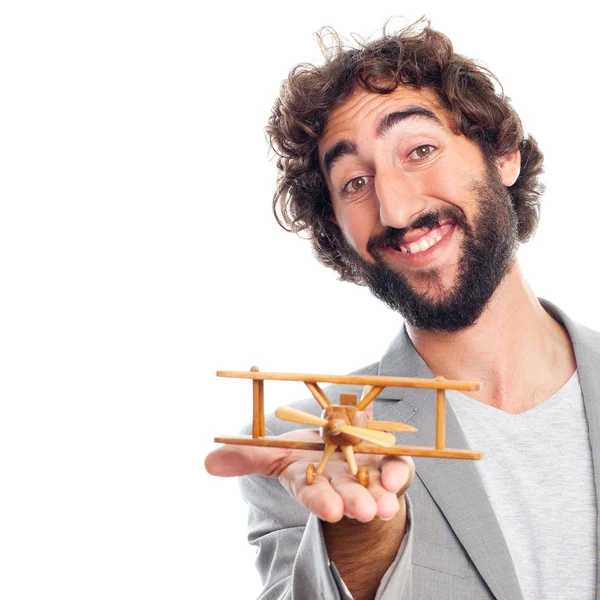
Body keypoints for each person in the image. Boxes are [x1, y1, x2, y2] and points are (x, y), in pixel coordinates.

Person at [205, 19, 599, 600]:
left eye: (419, 150)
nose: (393, 207)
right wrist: (361, 542)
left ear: (502, 156)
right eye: (355, 183)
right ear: (338, 233)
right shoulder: (302, 448)